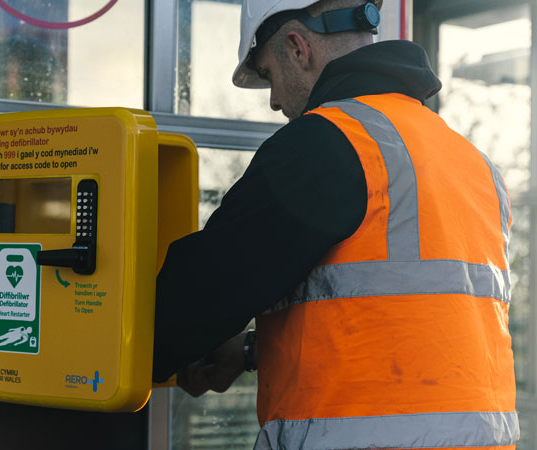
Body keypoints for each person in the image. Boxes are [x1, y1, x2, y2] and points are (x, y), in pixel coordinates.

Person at [152, 0, 519, 448]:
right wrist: (250, 351)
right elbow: (410, 330)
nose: (273, 101)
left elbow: (193, 299)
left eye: (267, 74)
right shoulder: (472, 162)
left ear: (296, 48)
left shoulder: (327, 143)